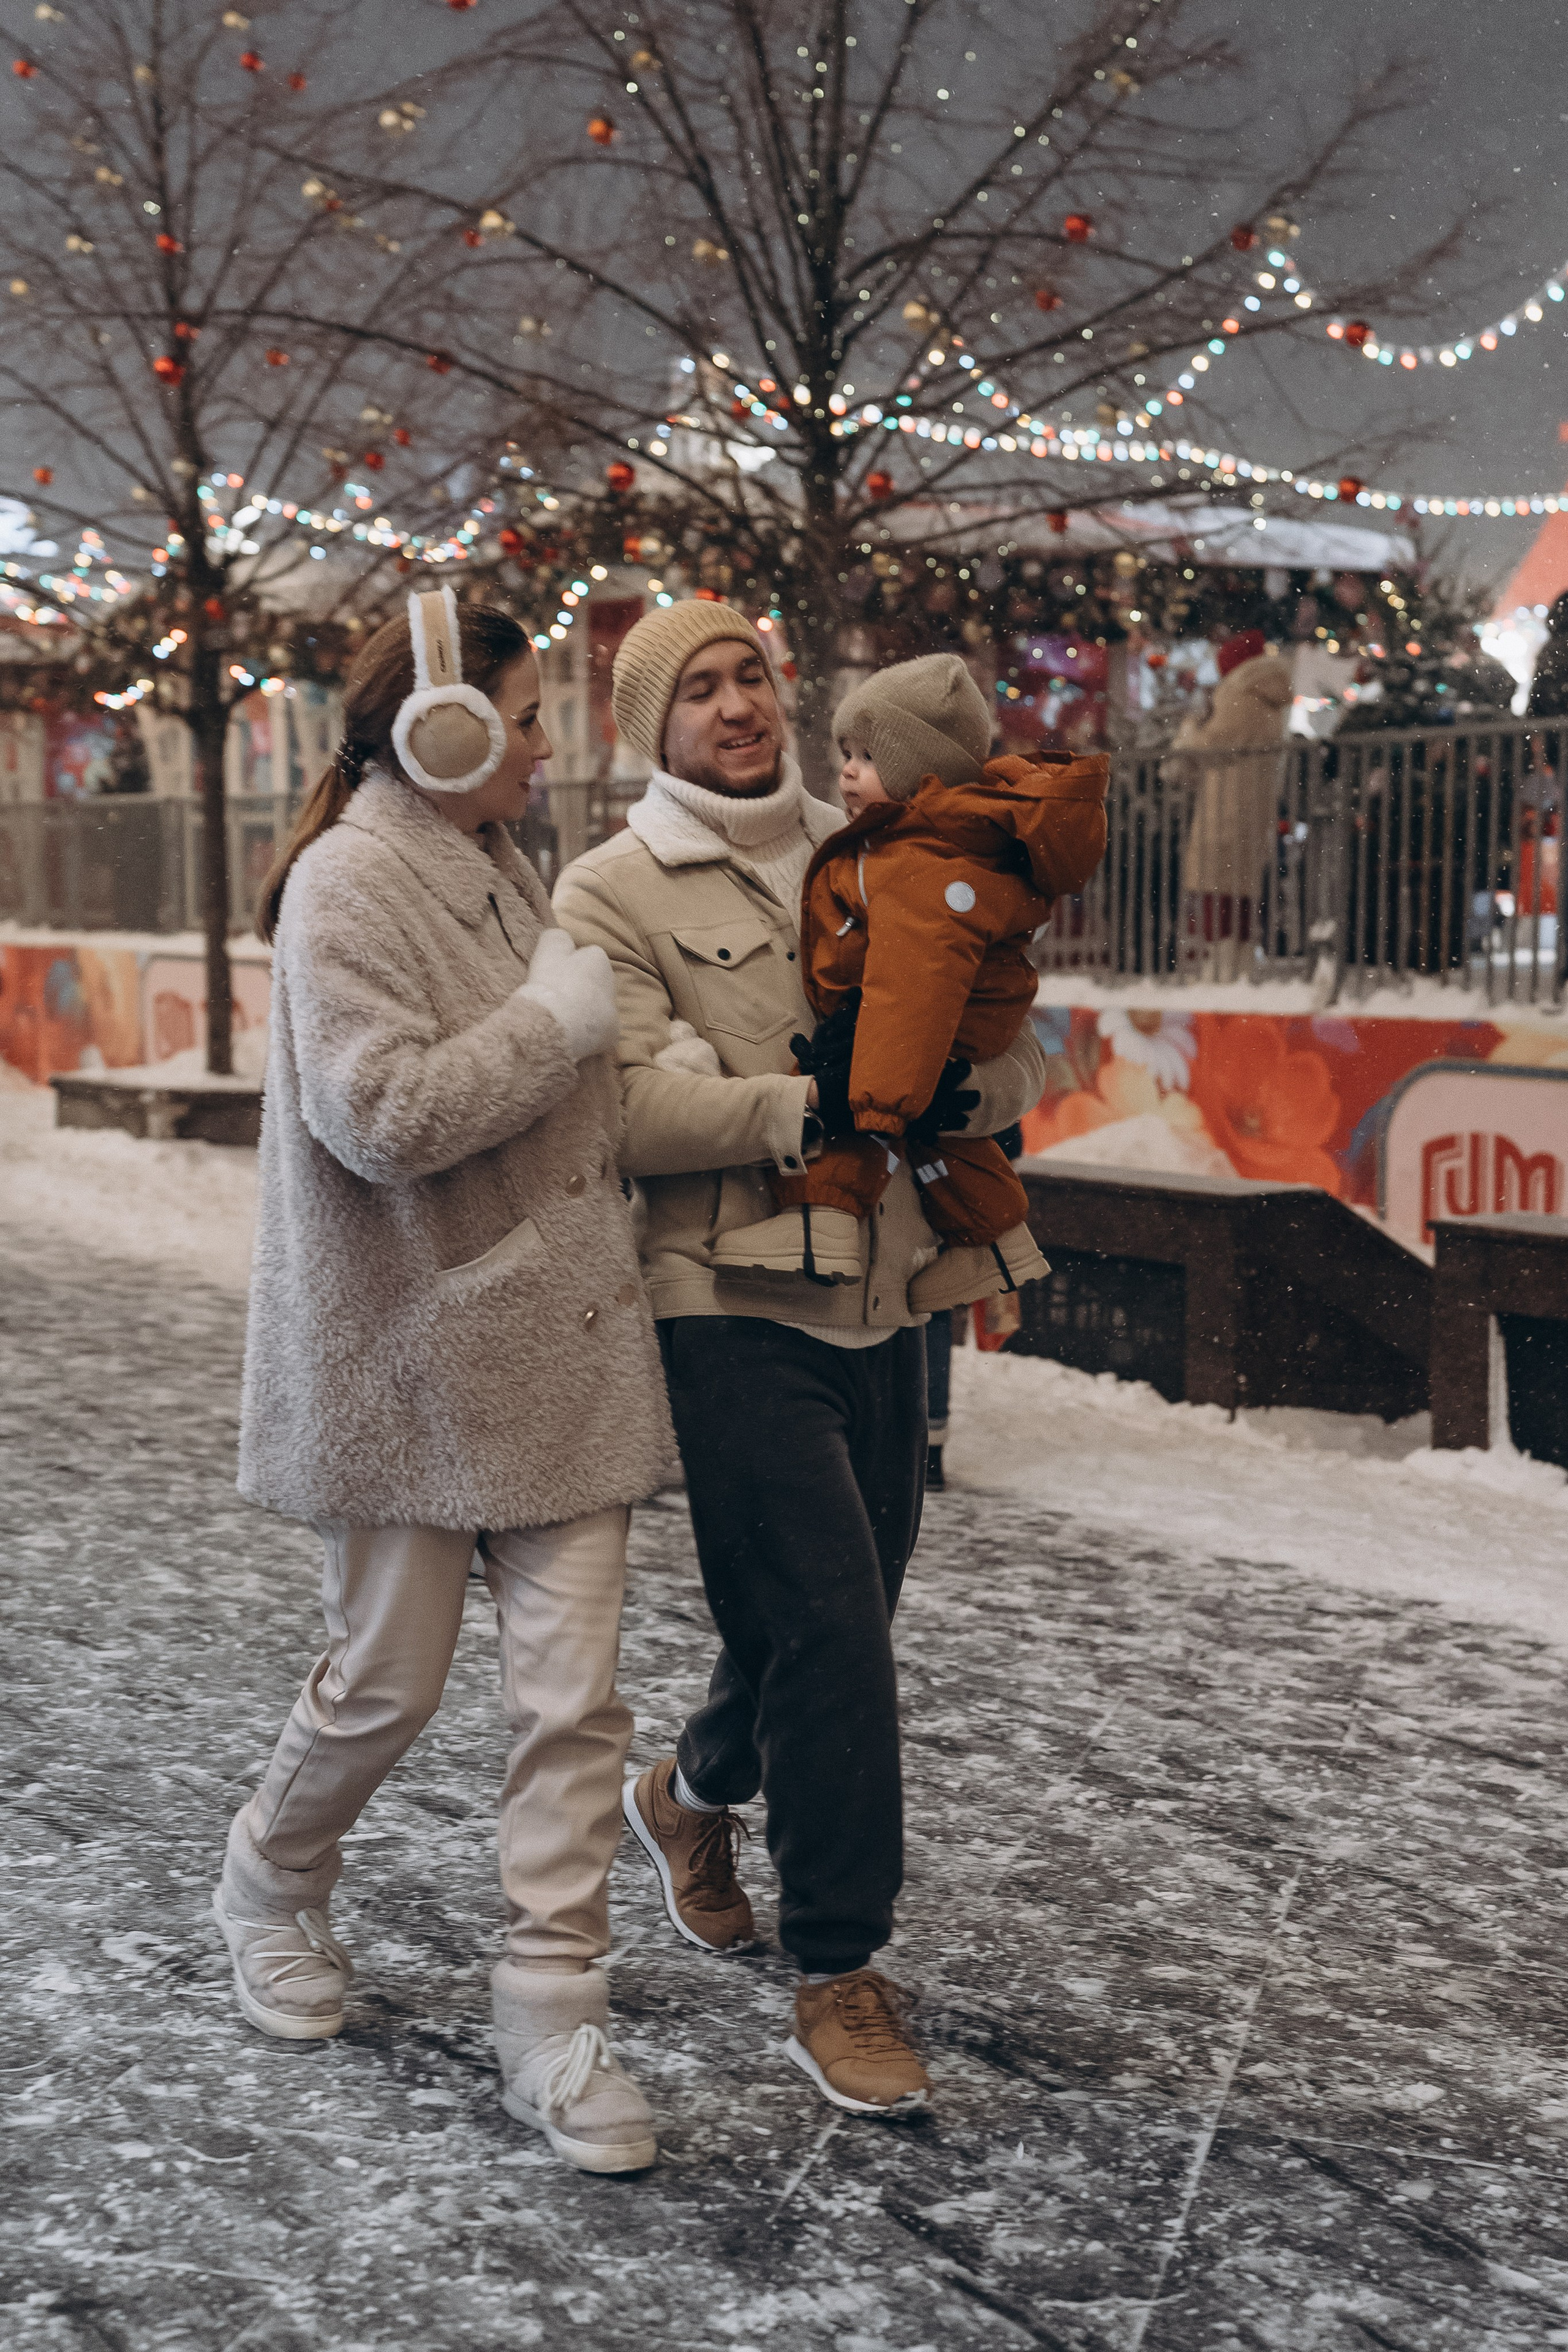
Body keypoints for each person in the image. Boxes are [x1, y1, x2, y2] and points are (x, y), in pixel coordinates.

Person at [553, 603, 1049, 2114]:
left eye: (747, 674)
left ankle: (690, 1789)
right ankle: (839, 1967)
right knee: (835, 1622)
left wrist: (967, 1076)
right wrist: (806, 1103)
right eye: (694, 689)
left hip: (885, 1290)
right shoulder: (610, 888)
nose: (732, 704)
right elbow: (626, 1111)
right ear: (654, 729)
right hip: (722, 1296)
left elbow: (1019, 1037)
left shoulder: (887, 832)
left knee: (818, 1619)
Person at [217, 597, 674, 2176]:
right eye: (527, 715)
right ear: (441, 729)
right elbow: (383, 1111)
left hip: (561, 1348)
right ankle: (269, 1879)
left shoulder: (499, 864)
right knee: (385, 1684)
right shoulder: (348, 879)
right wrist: (555, 1027)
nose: (550, 743)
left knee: (573, 1704)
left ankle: (553, 2003)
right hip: (408, 1360)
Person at [712, 654, 1106, 1295]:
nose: (846, 770)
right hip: (960, 1013)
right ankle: (993, 1242)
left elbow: (912, 983)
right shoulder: (925, 844)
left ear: (921, 770)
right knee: (938, 1140)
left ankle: (822, 1222)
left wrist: (873, 1099)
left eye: (867, 756)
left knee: (854, 1105)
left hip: (924, 1017)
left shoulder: (918, 860)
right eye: (846, 751)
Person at [1172, 627, 1292, 981]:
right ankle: (1236, 956)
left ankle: (1220, 963)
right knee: (1239, 883)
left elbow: (1215, 742)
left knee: (1216, 879)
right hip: (1252, 797)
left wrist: (1190, 729)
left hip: (1227, 798)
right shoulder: (1267, 693)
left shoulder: (1240, 690)